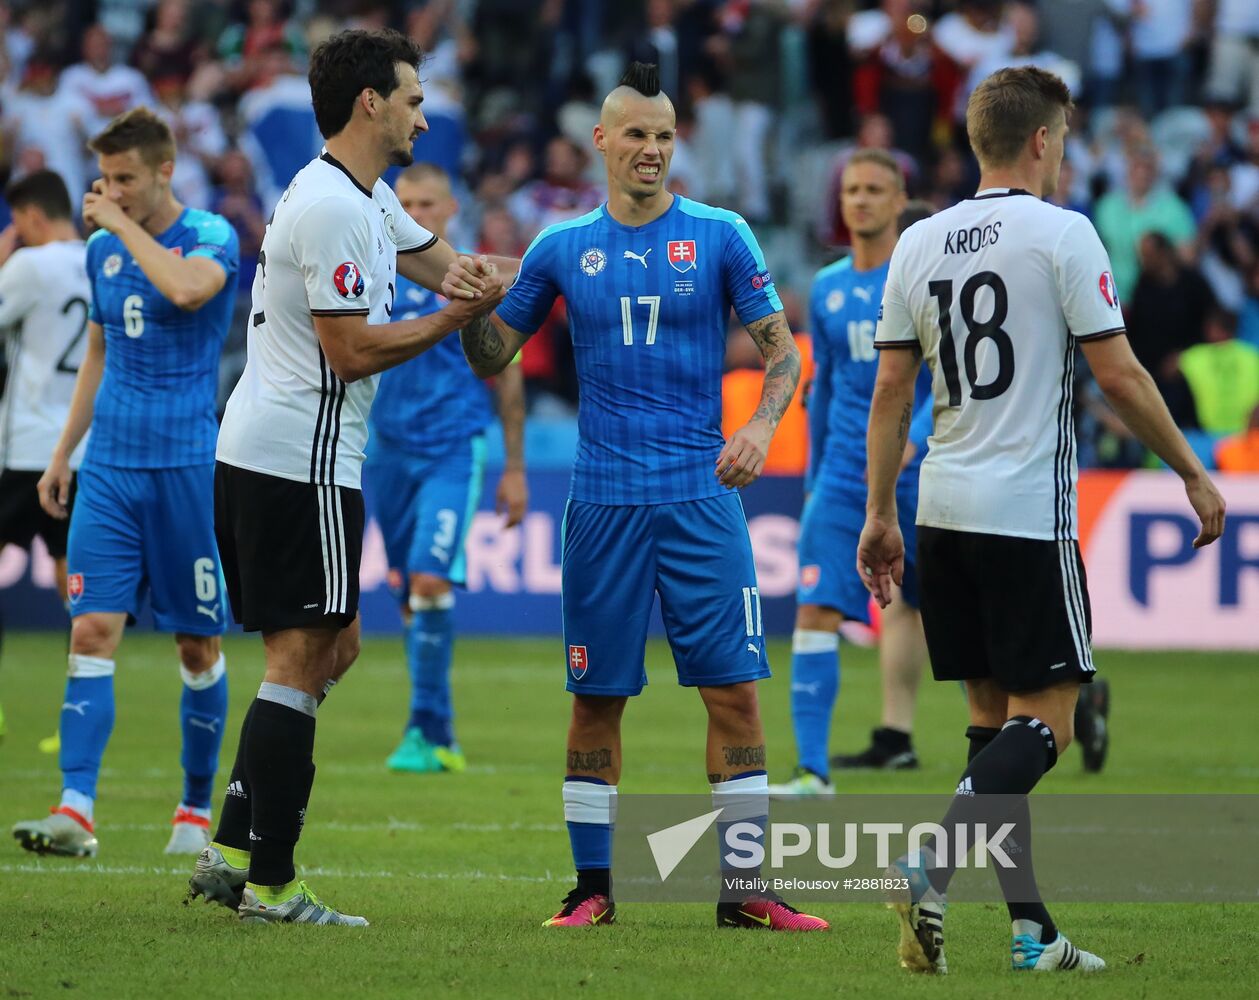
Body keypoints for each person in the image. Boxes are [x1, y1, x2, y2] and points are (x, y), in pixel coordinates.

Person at [861, 65, 1227, 976]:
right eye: (1060, 137)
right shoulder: (1063, 233)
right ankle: (930, 864)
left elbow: (889, 393)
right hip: (1026, 516)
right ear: (1041, 141)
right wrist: (1191, 469)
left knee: (992, 735)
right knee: (1047, 729)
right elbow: (1118, 374)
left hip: (940, 511)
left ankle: (1031, 932)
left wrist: (879, 514)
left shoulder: (919, 242)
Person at [453, 62, 827, 933]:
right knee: (596, 699)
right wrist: (467, 307)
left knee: (734, 692)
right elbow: (489, 355)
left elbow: (783, 355)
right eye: (637, 135)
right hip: (603, 505)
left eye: (663, 137)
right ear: (602, 141)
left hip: (701, 497)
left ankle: (745, 891)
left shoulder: (723, 234)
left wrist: (762, 429)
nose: (652, 150)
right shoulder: (556, 246)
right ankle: (593, 890)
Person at [188, 28, 505, 927]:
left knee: (334, 646)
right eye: (411, 97)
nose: (423, 112)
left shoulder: (367, 197)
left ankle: (232, 843)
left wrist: (552, 270)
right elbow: (355, 349)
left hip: (272, 453)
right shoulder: (330, 208)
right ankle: (274, 885)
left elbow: (457, 268)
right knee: (298, 660)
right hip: (302, 462)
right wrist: (454, 318)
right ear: (370, 101)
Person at [12, 109, 240, 860]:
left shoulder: (210, 236)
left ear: (165, 171)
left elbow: (182, 291)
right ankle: (75, 808)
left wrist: (115, 222)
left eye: (126, 180)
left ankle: (193, 810)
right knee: (89, 630)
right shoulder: (102, 250)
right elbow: (100, 357)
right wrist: (60, 453)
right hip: (107, 468)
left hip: (183, 470)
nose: (109, 193)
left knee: (196, 646)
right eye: (104, 180)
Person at [769, 159, 931, 797]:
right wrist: (814, 481)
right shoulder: (828, 287)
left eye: (873, 190)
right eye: (851, 191)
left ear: (899, 201)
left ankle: (1053, 713)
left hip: (922, 475)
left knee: (953, 613)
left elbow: (946, 377)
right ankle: (813, 770)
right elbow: (826, 389)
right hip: (841, 478)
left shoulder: (919, 280)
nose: (860, 202)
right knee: (816, 608)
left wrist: (916, 441)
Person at [366, 162, 528, 774]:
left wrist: (514, 468)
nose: (414, 213)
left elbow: (507, 374)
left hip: (452, 448)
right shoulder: (375, 271)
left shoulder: (474, 277)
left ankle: (421, 729)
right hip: (387, 451)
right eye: (404, 203)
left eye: (426, 204)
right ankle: (440, 730)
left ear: (450, 211)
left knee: (431, 581)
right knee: (410, 593)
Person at [0, 170, 90, 752]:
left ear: (31, 216)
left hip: (27, 447)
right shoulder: (100, 258)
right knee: (72, 579)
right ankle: (76, 717)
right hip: (80, 447)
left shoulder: (30, 265)